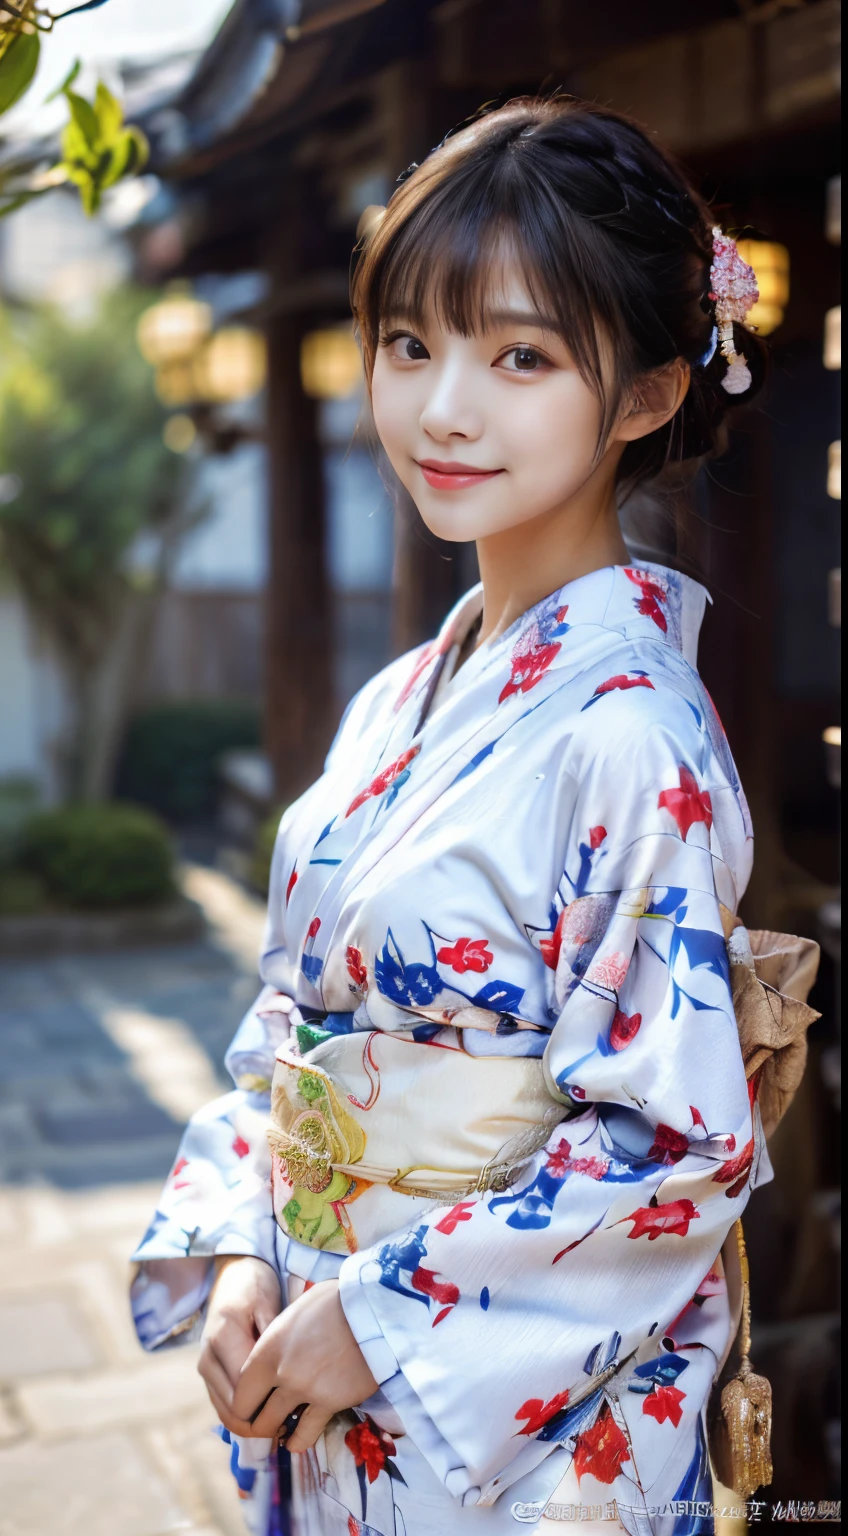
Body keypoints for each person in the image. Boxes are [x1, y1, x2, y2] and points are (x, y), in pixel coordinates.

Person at [131, 97, 772, 1536]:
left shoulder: (633, 734)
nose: (443, 406)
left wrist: (378, 1317)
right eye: (412, 344)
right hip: (317, 1357)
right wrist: (245, 1250)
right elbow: (288, 1032)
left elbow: (675, 1147)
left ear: (653, 394)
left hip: (510, 1433)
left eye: (522, 355)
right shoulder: (401, 699)